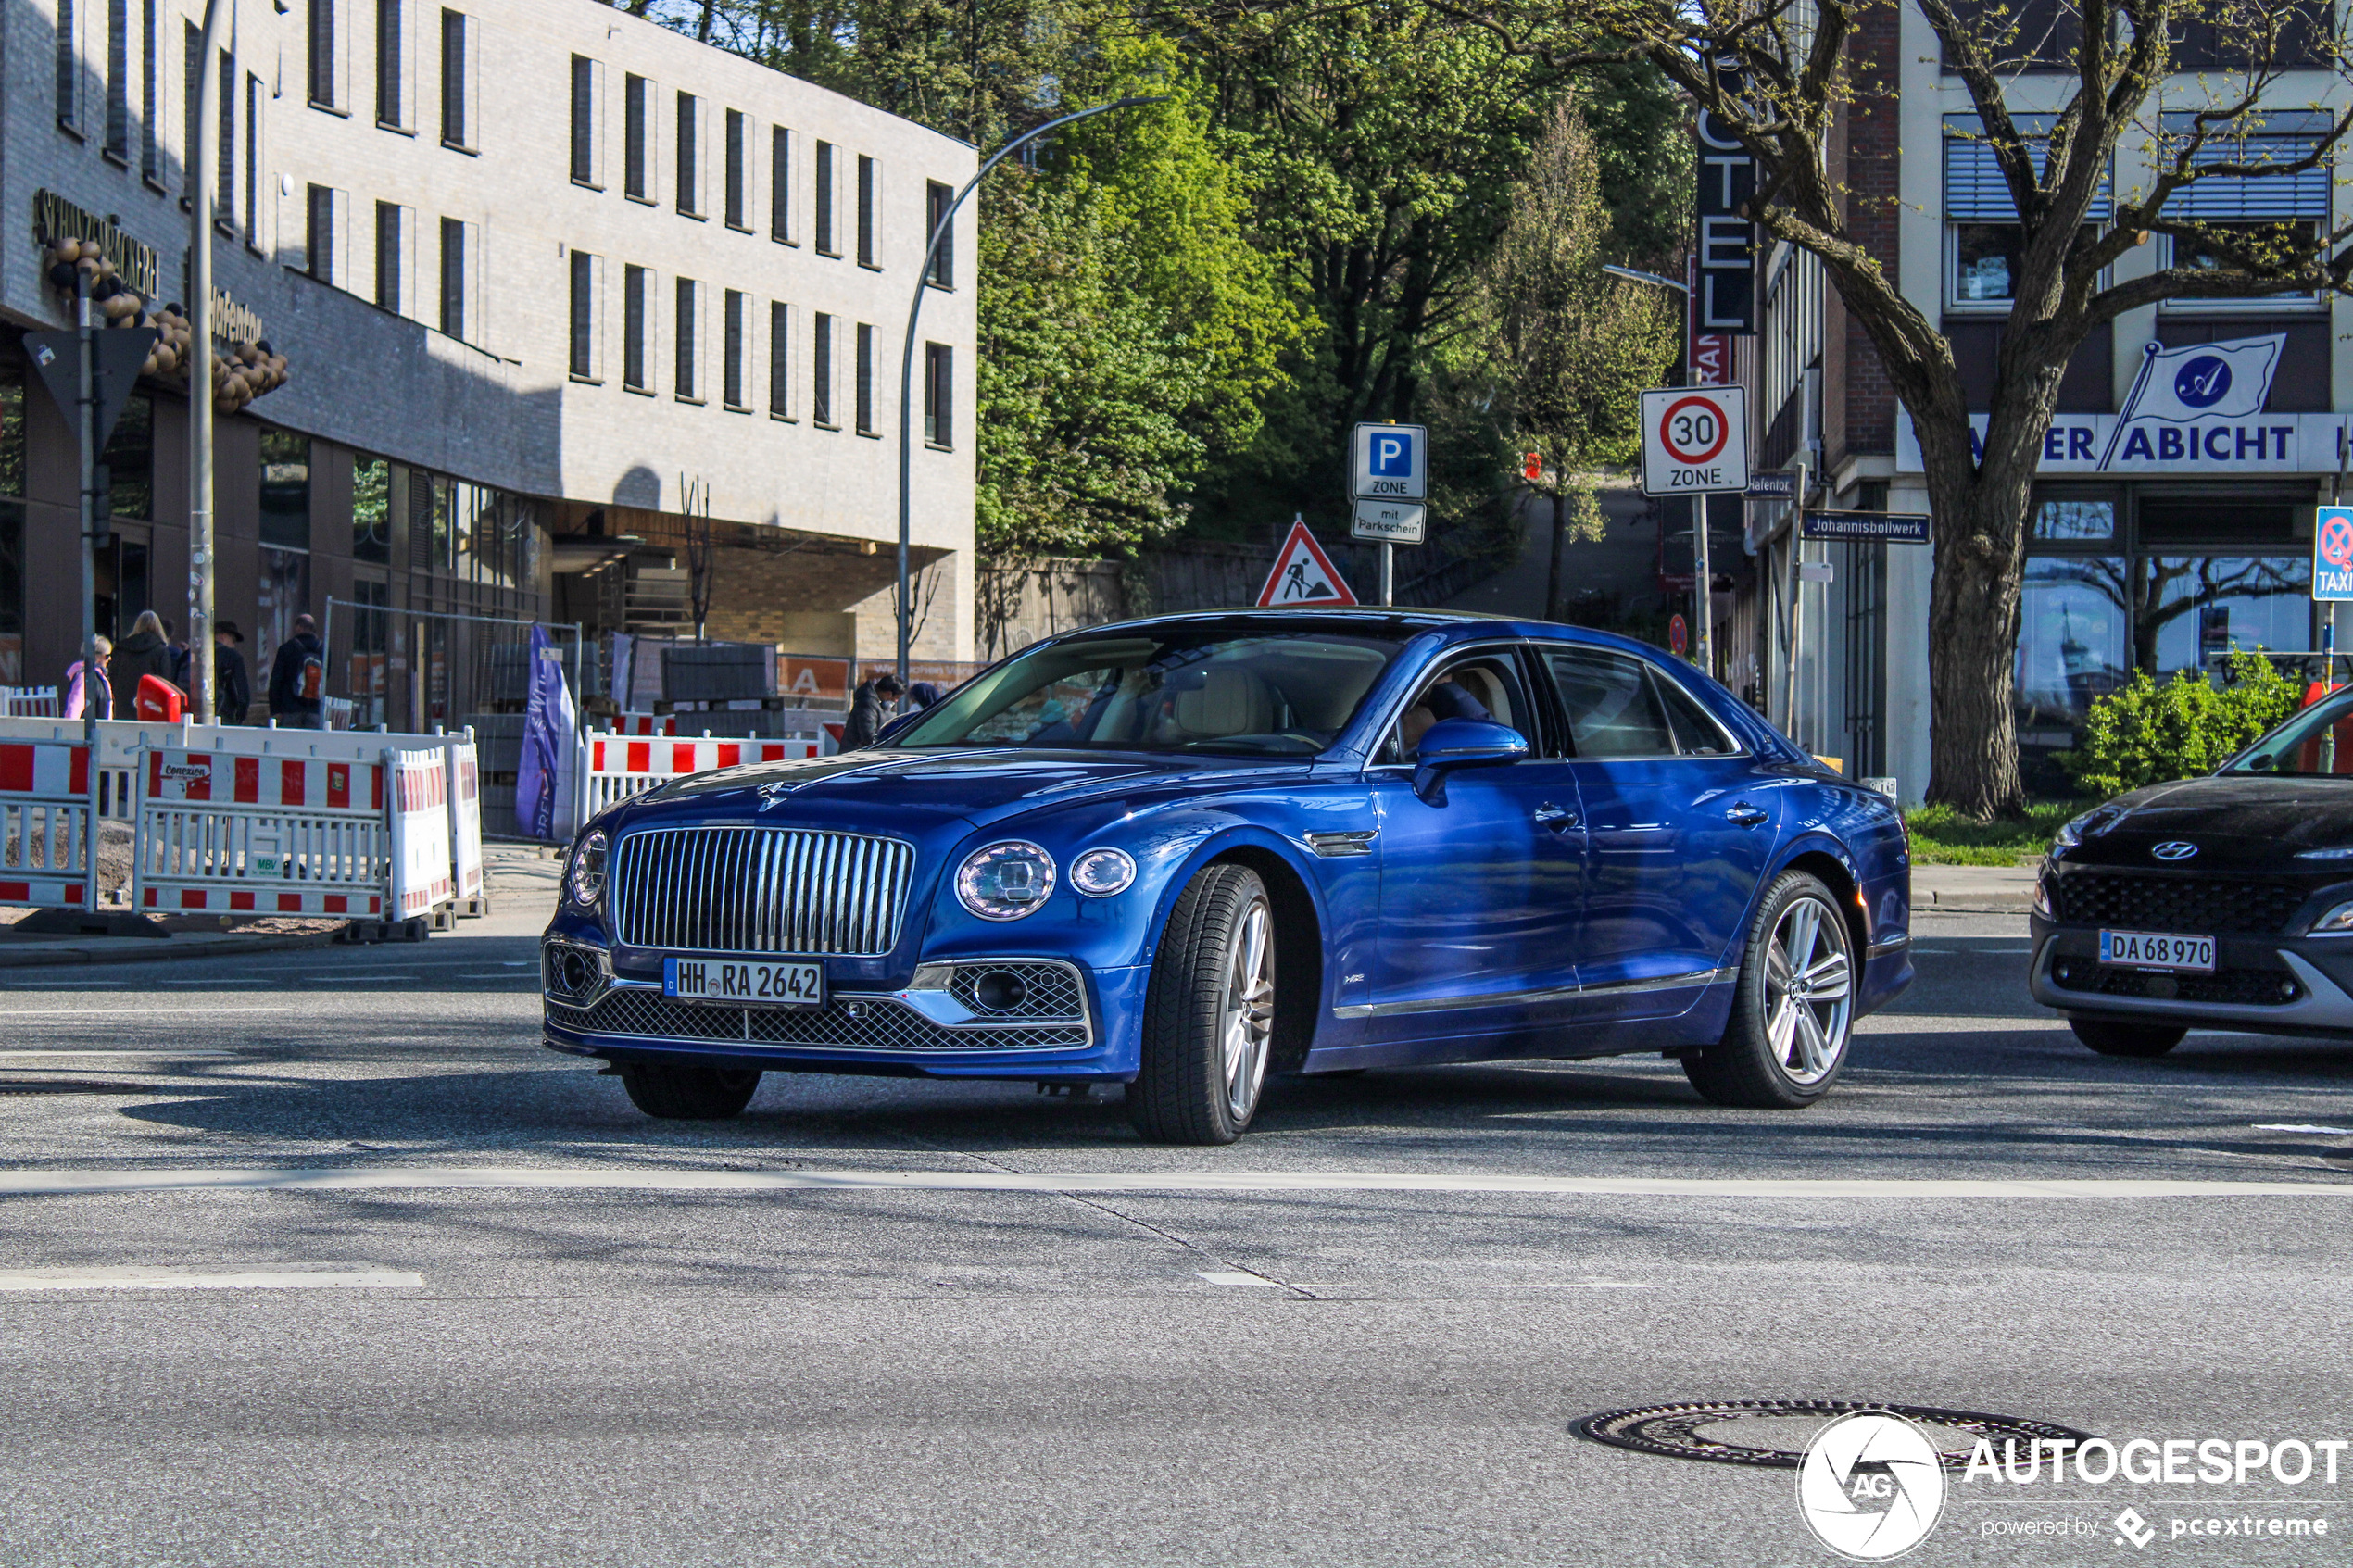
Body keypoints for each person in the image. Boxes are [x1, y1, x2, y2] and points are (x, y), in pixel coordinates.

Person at [266, 612, 329, 730]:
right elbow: (326, 677)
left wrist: (275, 710)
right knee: (312, 745)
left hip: (290, 709)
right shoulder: (323, 650)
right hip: (315, 709)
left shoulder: (286, 649)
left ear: (298, 627)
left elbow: (276, 681)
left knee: (290, 745)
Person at [110, 609, 173, 718]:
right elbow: (165, 680)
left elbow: (113, 675)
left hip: (122, 704)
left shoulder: (121, 648)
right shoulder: (160, 650)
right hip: (150, 704)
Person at [841, 672, 905, 749]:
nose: (895, 701)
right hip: (856, 754)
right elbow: (869, 737)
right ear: (889, 693)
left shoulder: (875, 702)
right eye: (895, 698)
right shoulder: (868, 704)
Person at [210, 621, 253, 724]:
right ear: (223, 636)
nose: (233, 645)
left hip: (190, 715)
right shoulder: (232, 656)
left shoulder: (189, 654)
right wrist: (241, 714)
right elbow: (242, 690)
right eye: (233, 640)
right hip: (223, 714)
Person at [63, 636, 112, 721]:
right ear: (96, 656)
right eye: (106, 656)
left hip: (102, 731)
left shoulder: (101, 678)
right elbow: (73, 711)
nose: (109, 659)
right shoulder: (84, 678)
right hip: (89, 732)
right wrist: (70, 731)